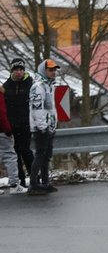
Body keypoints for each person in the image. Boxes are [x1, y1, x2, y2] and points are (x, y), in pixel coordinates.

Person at [28, 58, 60, 195]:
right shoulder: (38, 87)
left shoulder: (49, 85)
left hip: (48, 126)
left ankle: (45, 182)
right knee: (40, 155)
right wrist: (43, 127)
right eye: (50, 70)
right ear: (44, 70)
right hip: (41, 127)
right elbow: (37, 109)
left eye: (54, 70)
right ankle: (33, 184)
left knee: (46, 156)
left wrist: (52, 125)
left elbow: (50, 109)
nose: (53, 72)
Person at [3, 58, 33, 188]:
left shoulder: (30, 84)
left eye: (21, 70)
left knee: (26, 151)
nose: (19, 72)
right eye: (16, 70)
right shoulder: (6, 86)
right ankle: (20, 181)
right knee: (15, 154)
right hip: (12, 126)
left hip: (26, 124)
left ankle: (34, 178)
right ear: (12, 71)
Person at [0, 83, 27, 193]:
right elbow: (1, 113)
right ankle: (14, 185)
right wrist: (8, 129)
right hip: (2, 131)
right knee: (10, 156)